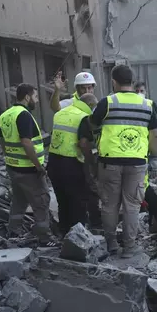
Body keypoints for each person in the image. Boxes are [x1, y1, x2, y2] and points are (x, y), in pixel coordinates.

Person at [90, 65, 157, 257]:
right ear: (132, 81)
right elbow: (154, 136)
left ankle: (111, 243)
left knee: (110, 204)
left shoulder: (107, 102)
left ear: (114, 82)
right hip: (137, 162)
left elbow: (93, 124)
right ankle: (129, 247)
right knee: (132, 205)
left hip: (109, 161)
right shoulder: (147, 104)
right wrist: (154, 157)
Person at [0, 83, 52, 245]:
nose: (37, 100)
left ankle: (13, 232)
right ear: (27, 97)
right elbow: (27, 143)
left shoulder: (6, 115)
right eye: (35, 97)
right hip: (29, 170)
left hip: (13, 167)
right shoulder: (24, 115)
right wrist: (38, 166)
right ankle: (44, 238)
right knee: (41, 202)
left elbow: (1, 140)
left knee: (19, 201)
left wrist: (9, 157)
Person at [47, 93, 97, 234]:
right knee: (78, 203)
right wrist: (91, 162)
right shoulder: (83, 117)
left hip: (53, 163)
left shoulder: (61, 113)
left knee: (63, 202)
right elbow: (83, 143)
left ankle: (64, 234)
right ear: (90, 105)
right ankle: (78, 238)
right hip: (71, 165)